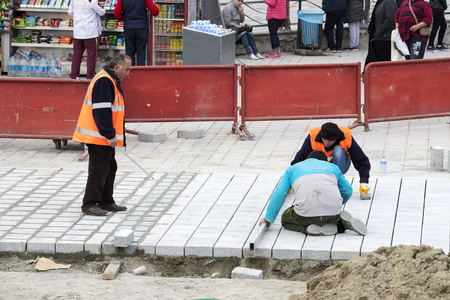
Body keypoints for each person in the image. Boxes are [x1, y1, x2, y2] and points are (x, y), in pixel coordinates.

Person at [72, 54, 132, 216]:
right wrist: (110, 134)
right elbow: (102, 110)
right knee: (99, 170)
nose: (127, 73)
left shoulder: (110, 80)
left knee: (110, 168)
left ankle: (106, 201)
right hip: (99, 136)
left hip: (102, 136)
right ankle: (89, 203)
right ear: (117, 67)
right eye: (126, 69)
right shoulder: (105, 81)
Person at [259, 151, 367, 236]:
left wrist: (268, 218)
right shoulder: (333, 167)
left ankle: (307, 229)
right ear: (326, 161)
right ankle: (340, 225)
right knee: (332, 217)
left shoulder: (292, 169)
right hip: (332, 215)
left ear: (307, 160)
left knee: (285, 218)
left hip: (305, 216)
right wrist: (336, 204)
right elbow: (348, 191)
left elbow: (279, 193)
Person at [291, 122, 371, 199]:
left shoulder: (346, 136)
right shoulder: (313, 136)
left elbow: (361, 159)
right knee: (316, 154)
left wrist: (364, 181)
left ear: (336, 138)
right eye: (324, 139)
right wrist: (290, 180)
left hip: (340, 166)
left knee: (338, 150)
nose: (326, 143)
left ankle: (337, 184)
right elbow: (299, 158)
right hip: (319, 168)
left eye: (330, 141)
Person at [114, 0, 159, 66]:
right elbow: (155, 11)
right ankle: (141, 74)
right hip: (141, 28)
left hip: (128, 28)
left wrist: (124, 19)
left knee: (129, 53)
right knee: (141, 53)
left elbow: (116, 12)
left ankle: (130, 73)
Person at [68, 0, 105, 80]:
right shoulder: (92, 0)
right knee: (91, 56)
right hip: (90, 32)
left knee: (77, 55)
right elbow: (102, 12)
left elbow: (70, 12)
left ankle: (73, 75)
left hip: (78, 32)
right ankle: (90, 76)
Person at [363, 0, 397, 69]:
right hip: (378, 37)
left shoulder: (388, 2)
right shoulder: (381, 2)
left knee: (384, 63)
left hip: (384, 38)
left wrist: (380, 31)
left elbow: (390, 18)